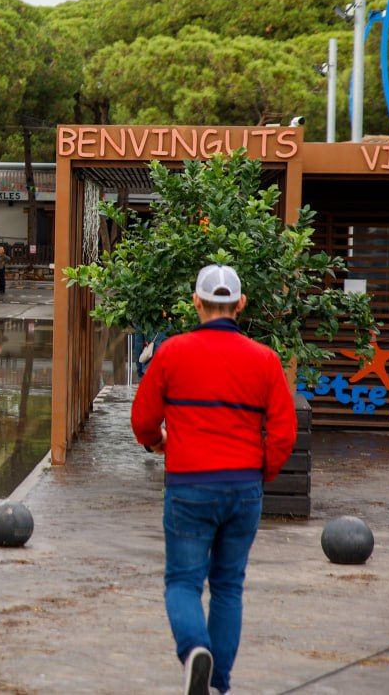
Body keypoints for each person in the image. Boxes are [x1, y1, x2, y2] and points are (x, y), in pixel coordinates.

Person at [131, 264, 296, 695]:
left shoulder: (171, 353)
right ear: (240, 304)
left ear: (196, 302)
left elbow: (142, 419)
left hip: (189, 486)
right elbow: (283, 431)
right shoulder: (265, 359)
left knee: (183, 582)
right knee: (228, 586)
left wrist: (158, 442)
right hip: (243, 488)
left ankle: (194, 650)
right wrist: (262, 474)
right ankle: (218, 684)